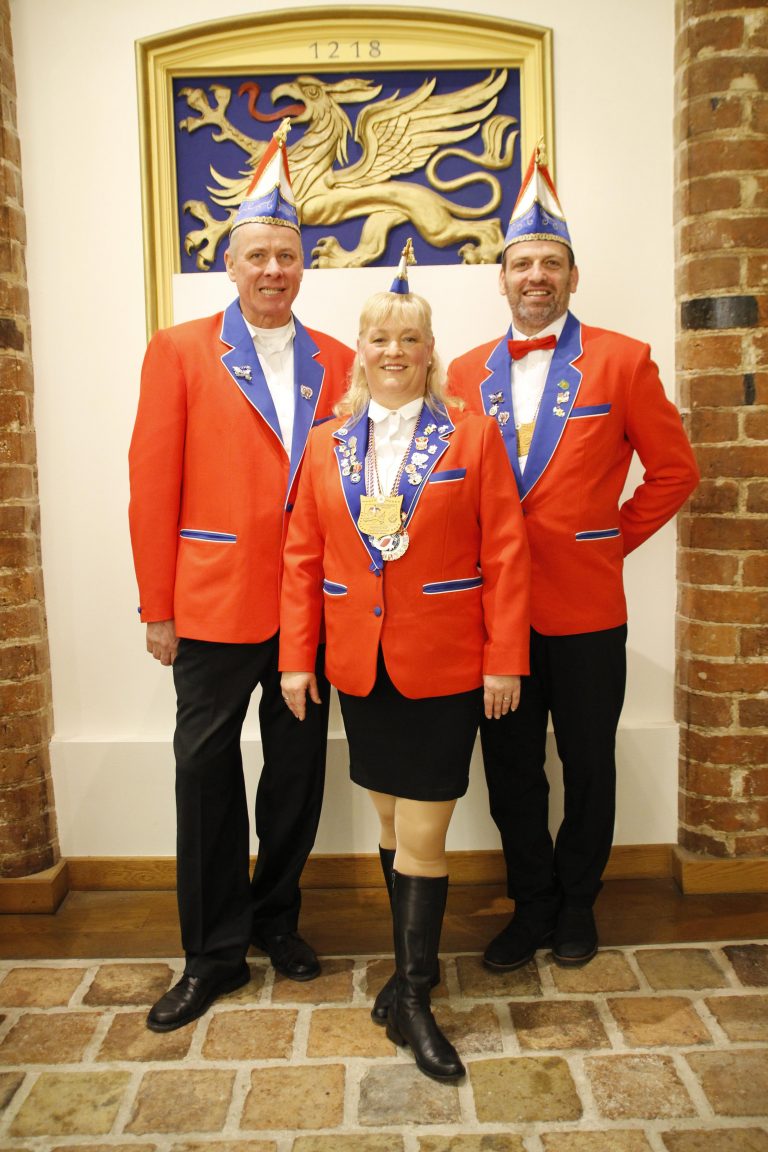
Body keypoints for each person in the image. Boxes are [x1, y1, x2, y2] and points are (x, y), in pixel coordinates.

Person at [278, 242, 531, 1082]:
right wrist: (295, 659)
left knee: (425, 834)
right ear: (364, 349)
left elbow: (504, 553)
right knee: (390, 827)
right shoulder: (328, 445)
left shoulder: (473, 434)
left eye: (410, 340)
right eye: (380, 339)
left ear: (430, 352)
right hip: (361, 668)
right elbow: (303, 559)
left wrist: (506, 661)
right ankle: (402, 975)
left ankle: (415, 999)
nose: (394, 353)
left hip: (447, 665)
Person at [447, 142, 699, 971]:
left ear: (572, 277)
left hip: (588, 608)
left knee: (589, 763)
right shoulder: (461, 372)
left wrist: (609, 540)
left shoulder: (623, 360)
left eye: (551, 262)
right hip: (496, 618)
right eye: (522, 262)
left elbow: (675, 470)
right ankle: (533, 905)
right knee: (513, 769)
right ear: (503, 275)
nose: (536, 276)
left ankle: (581, 904)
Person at [128, 121, 354, 1032]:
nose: (273, 270)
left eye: (287, 257)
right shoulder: (178, 350)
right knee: (206, 774)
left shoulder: (341, 358)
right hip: (211, 606)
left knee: (296, 776)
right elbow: (152, 485)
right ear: (231, 263)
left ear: (304, 267)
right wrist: (157, 604)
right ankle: (213, 953)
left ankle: (277, 919)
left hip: (312, 611)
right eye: (258, 255)